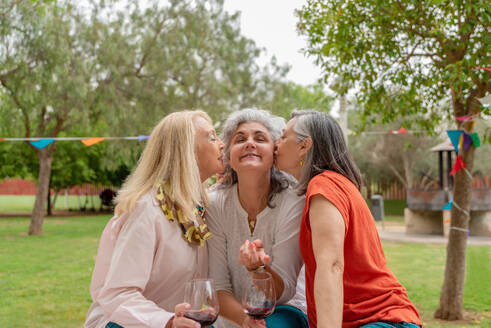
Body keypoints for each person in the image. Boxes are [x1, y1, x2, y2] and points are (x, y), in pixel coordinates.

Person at [274, 110, 422, 328]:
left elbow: (331, 265)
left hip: (381, 319)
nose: (276, 143)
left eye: (284, 136)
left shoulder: (324, 185)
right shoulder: (334, 184)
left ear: (304, 146)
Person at [84, 110, 225, 328]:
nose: (222, 144)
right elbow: (118, 294)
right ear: (189, 151)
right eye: (212, 137)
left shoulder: (200, 206)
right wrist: (168, 321)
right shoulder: (146, 209)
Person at [206, 109, 307, 328]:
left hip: (286, 313)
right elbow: (219, 286)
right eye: (240, 139)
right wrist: (245, 322)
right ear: (229, 156)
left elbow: (285, 291)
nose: (249, 143)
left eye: (260, 138)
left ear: (275, 154)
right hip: (233, 319)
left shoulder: (293, 201)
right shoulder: (215, 203)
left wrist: (258, 270)